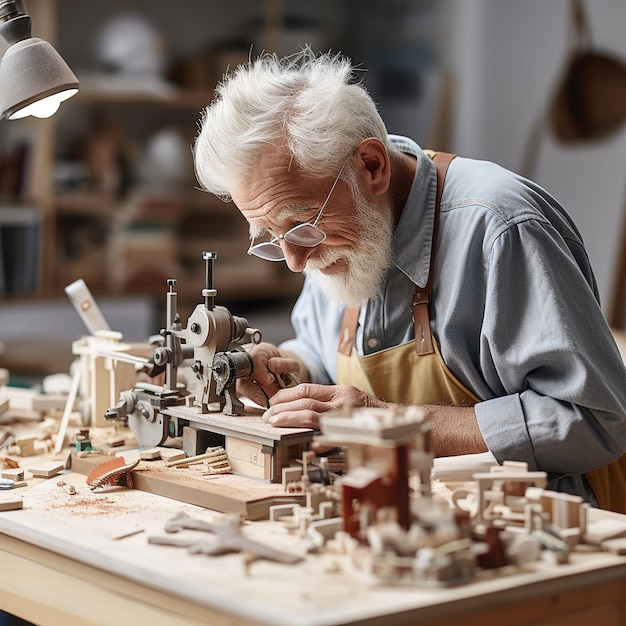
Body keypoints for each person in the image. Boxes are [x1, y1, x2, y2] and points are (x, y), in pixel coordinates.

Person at [194, 48, 626, 512]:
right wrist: (290, 370)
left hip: (541, 535)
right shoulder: (328, 228)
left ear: (372, 166)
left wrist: (388, 420)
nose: (295, 261)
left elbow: (594, 422)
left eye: (299, 227)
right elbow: (321, 352)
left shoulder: (501, 228)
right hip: (402, 521)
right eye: (272, 236)